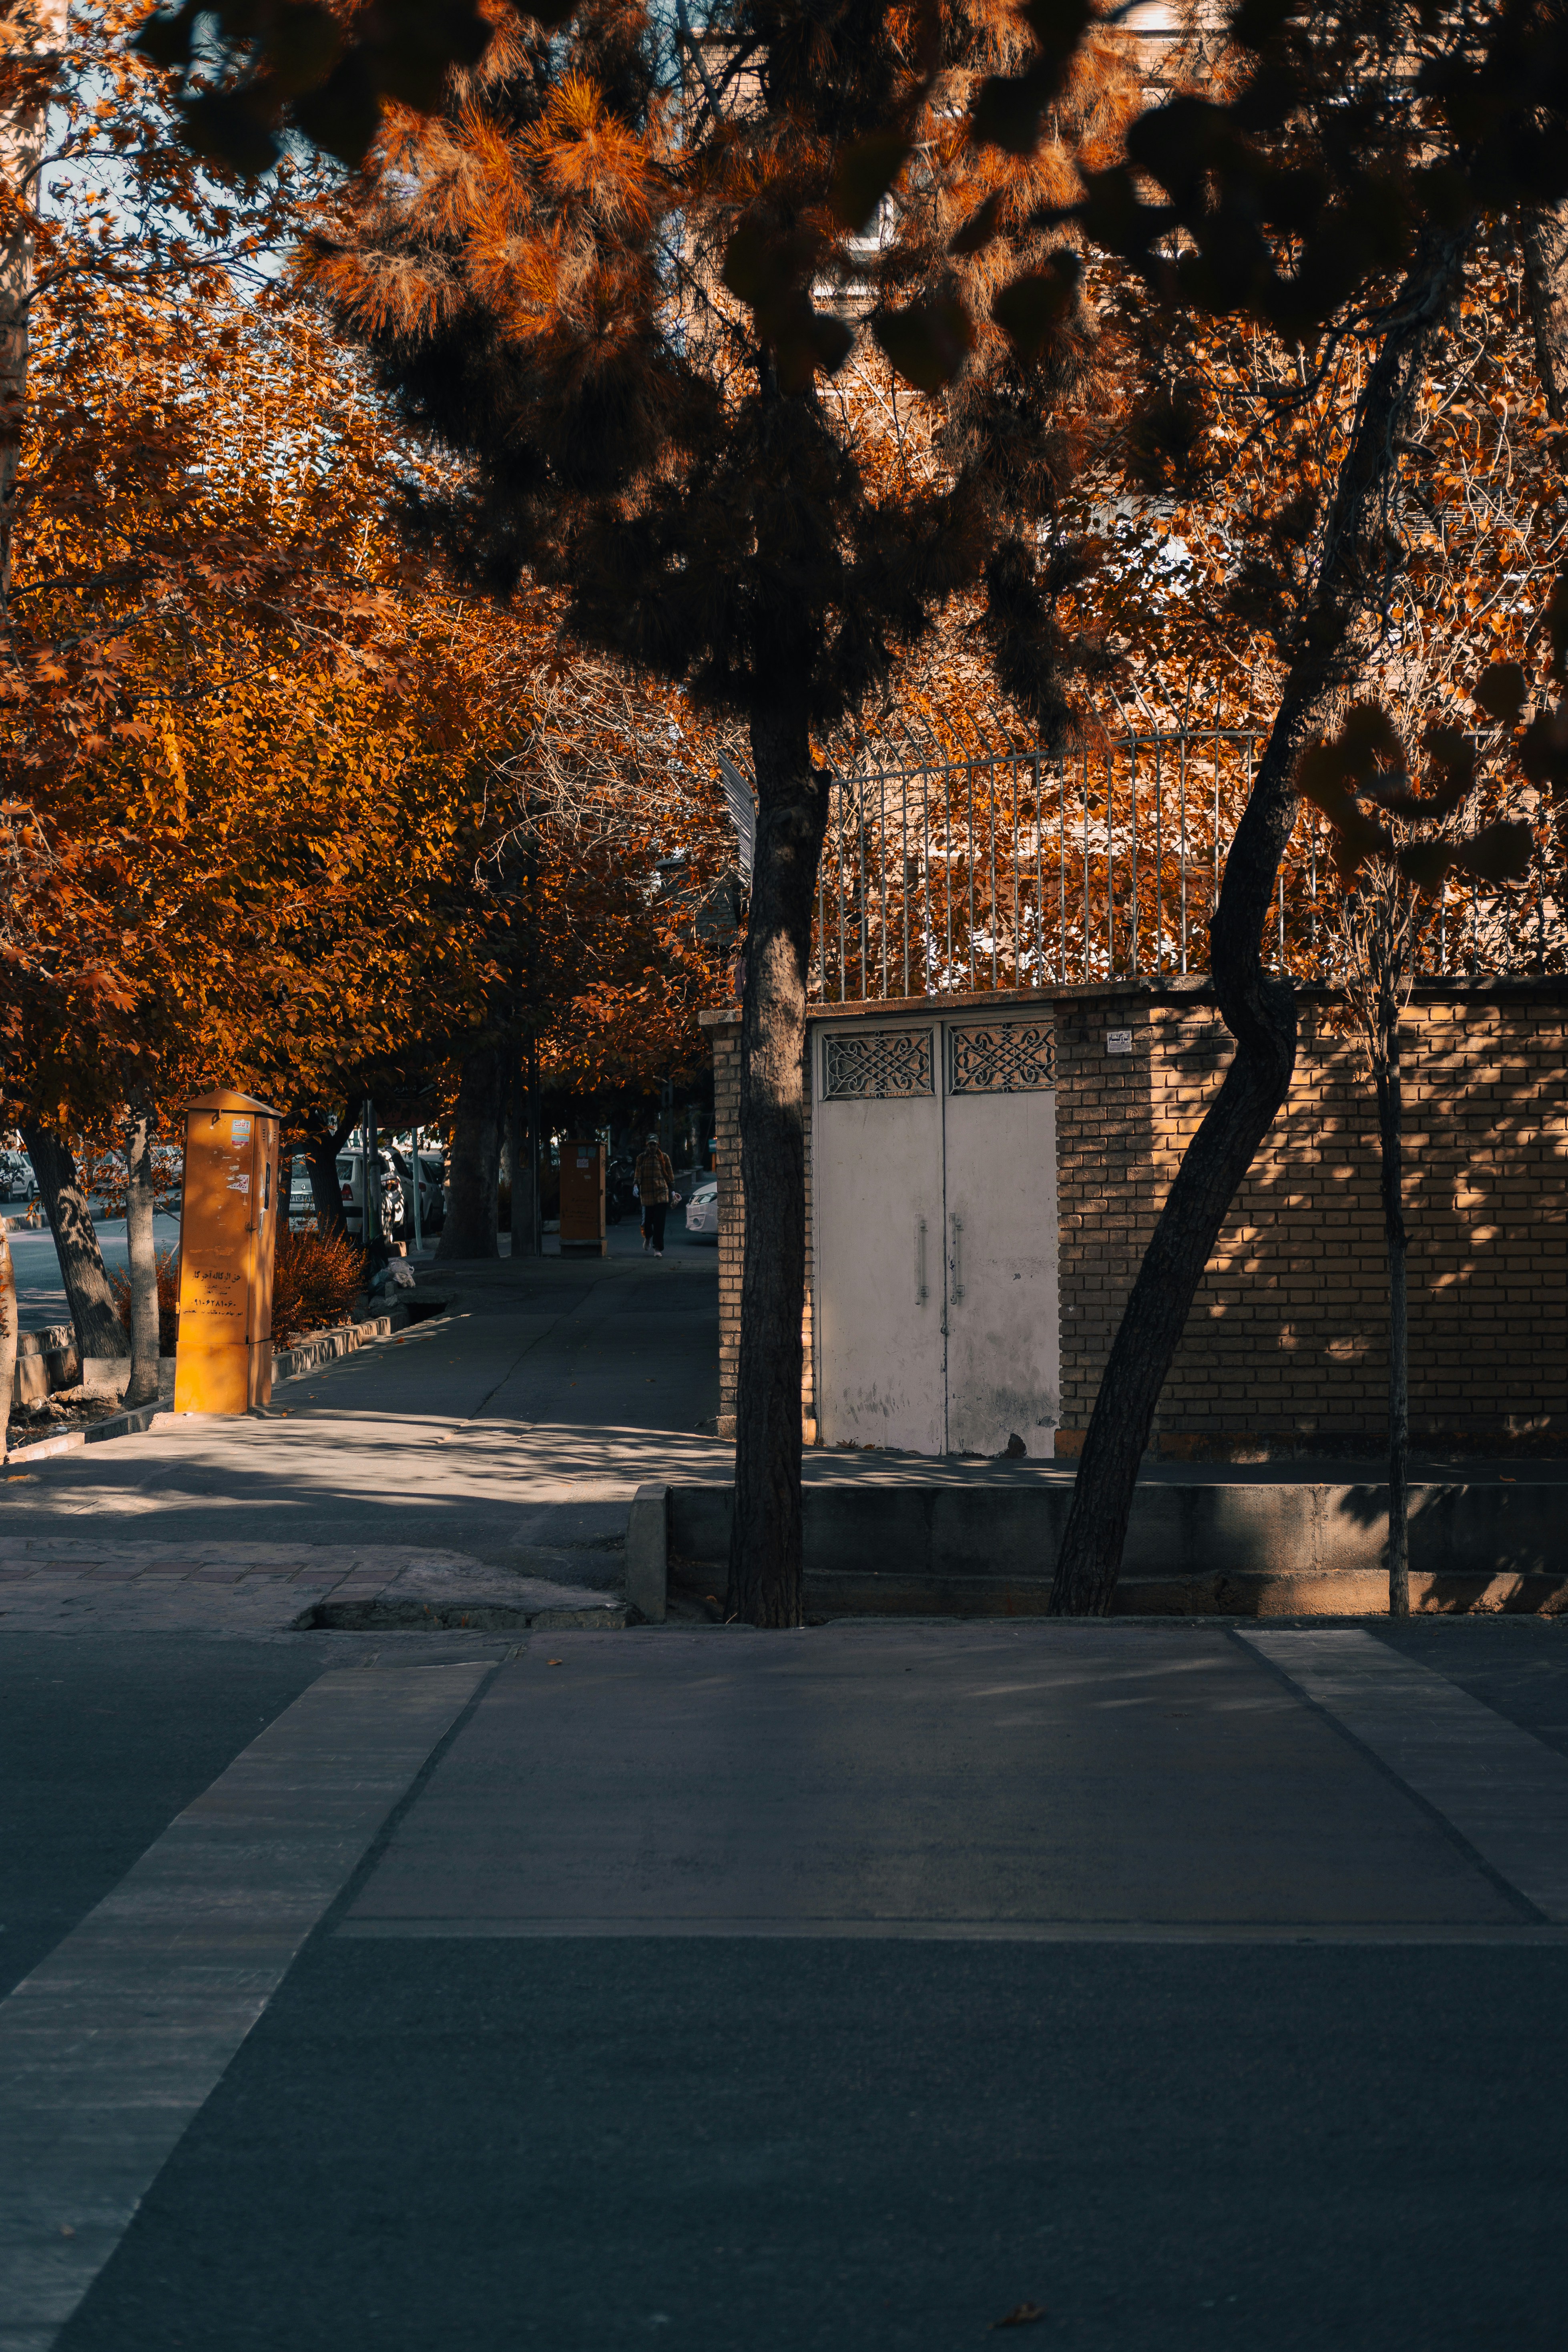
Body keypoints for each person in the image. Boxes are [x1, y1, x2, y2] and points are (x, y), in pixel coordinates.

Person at [634, 1133, 673, 1256]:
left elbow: (670, 1174)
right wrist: (636, 1185)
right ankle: (648, 1237)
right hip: (646, 1195)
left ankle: (658, 1249)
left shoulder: (664, 1158)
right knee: (647, 1222)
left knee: (659, 1222)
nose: (652, 1147)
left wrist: (673, 1190)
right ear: (647, 1145)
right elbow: (638, 1174)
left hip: (661, 1193)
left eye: (655, 1145)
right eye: (650, 1145)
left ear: (658, 1145)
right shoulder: (641, 1158)